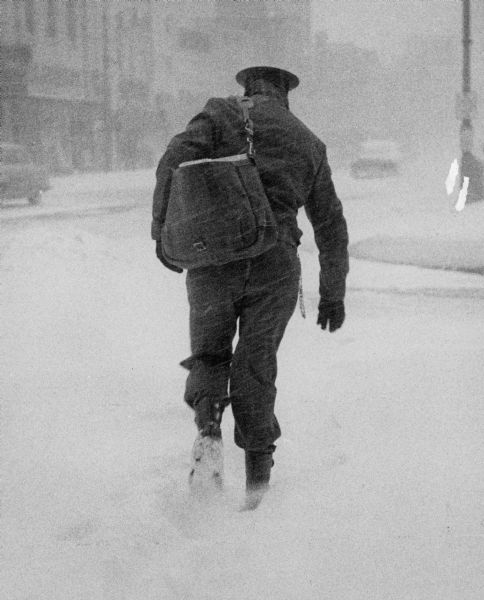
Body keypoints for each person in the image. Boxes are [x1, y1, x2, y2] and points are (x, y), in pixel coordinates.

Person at [152, 66, 349, 507]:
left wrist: (161, 230)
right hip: (275, 266)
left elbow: (172, 159)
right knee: (255, 362)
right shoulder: (307, 141)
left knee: (209, 354)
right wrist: (332, 292)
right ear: (285, 95)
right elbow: (330, 225)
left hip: (212, 259)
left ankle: (207, 433)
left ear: (248, 87)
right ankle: (257, 481)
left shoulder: (222, 113)